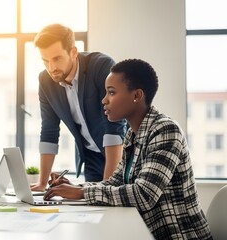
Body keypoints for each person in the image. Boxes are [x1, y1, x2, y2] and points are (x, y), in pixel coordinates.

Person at [44, 59, 212, 239]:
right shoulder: (132, 135)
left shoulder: (165, 130)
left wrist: (83, 193)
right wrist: (76, 187)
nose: (104, 100)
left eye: (111, 92)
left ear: (137, 95)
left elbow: (144, 195)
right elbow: (115, 182)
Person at [31, 23, 127, 191]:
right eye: (45, 61)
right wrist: (41, 182)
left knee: (114, 202)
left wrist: (107, 187)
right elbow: (49, 130)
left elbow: (114, 125)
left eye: (57, 58)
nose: (51, 68)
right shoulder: (45, 81)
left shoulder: (101, 66)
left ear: (73, 52)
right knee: (92, 212)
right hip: (90, 156)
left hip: (119, 154)